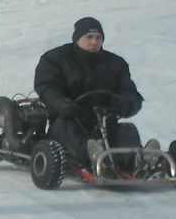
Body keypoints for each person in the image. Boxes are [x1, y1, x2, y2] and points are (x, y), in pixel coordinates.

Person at [33, 16, 143, 168]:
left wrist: (126, 103)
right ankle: (91, 158)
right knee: (68, 129)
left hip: (104, 121)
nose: (94, 42)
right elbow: (47, 86)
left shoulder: (116, 63)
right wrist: (60, 103)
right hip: (69, 118)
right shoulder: (55, 58)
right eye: (89, 37)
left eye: (98, 38)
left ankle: (137, 159)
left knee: (126, 131)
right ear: (77, 38)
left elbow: (128, 90)